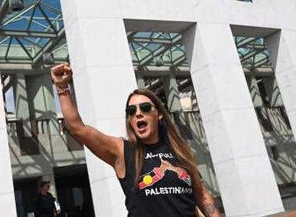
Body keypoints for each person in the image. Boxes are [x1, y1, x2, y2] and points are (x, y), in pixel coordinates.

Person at [51, 63, 222, 217]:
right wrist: (62, 87)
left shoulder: (181, 151)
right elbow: (78, 128)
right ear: (130, 120)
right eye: (131, 111)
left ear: (159, 114)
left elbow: (203, 196)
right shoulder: (122, 152)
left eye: (145, 108)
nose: (138, 113)